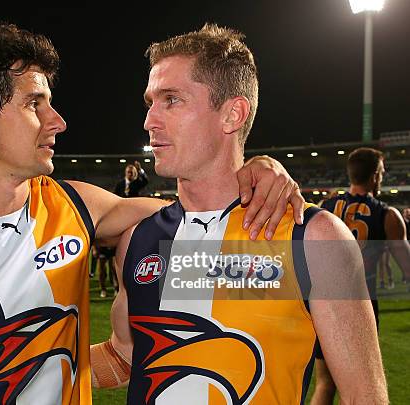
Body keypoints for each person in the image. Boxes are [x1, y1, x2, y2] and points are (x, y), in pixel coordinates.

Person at [0, 22, 305, 404]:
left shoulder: (77, 206)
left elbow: (199, 209)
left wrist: (258, 170)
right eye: (33, 103)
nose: (57, 121)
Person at [92, 23, 389, 404]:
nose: (150, 120)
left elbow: (365, 398)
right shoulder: (138, 239)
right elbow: (127, 357)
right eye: (151, 102)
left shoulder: (314, 238)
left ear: (232, 115)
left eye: (172, 100)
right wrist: (28, 365)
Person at [313, 147, 410, 405]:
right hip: (360, 303)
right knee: (358, 389)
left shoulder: (325, 207)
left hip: (320, 302)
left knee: (324, 384)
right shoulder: (387, 214)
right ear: (375, 176)